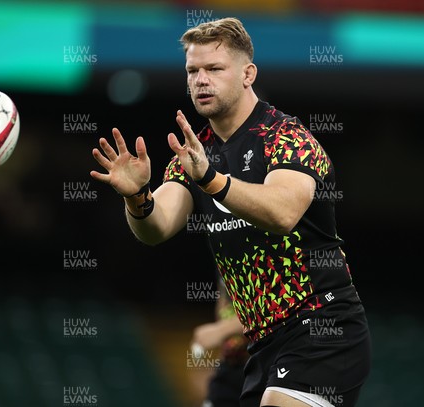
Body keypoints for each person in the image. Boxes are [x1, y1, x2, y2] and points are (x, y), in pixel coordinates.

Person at [90, 17, 371, 407]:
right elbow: (157, 227)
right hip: (258, 345)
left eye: (214, 69)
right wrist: (137, 195)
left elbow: (283, 212)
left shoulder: (287, 138)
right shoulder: (193, 154)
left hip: (323, 327)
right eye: (193, 71)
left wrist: (211, 179)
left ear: (247, 74)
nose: (200, 80)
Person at [190, 278, 249, 407]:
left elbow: (275, 309)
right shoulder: (221, 262)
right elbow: (223, 306)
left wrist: (221, 330)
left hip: (263, 367)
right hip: (230, 370)